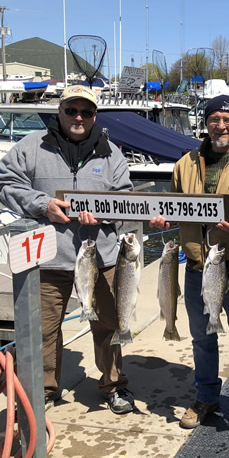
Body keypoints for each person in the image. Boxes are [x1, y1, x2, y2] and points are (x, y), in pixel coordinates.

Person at [0, 85, 136, 414]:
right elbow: (5, 183)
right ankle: (46, 390)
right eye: (71, 110)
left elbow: (127, 198)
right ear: (59, 111)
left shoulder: (111, 153)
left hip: (100, 257)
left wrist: (106, 211)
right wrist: (42, 204)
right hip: (49, 257)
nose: (78, 117)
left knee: (109, 325)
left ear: (94, 116)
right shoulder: (31, 146)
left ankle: (114, 385)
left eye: (86, 112)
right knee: (44, 329)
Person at [149, 94, 229, 434]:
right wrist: (163, 219)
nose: (220, 125)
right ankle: (206, 396)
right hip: (197, 265)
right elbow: (175, 206)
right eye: (214, 119)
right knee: (202, 337)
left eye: (228, 120)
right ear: (206, 123)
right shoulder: (186, 162)